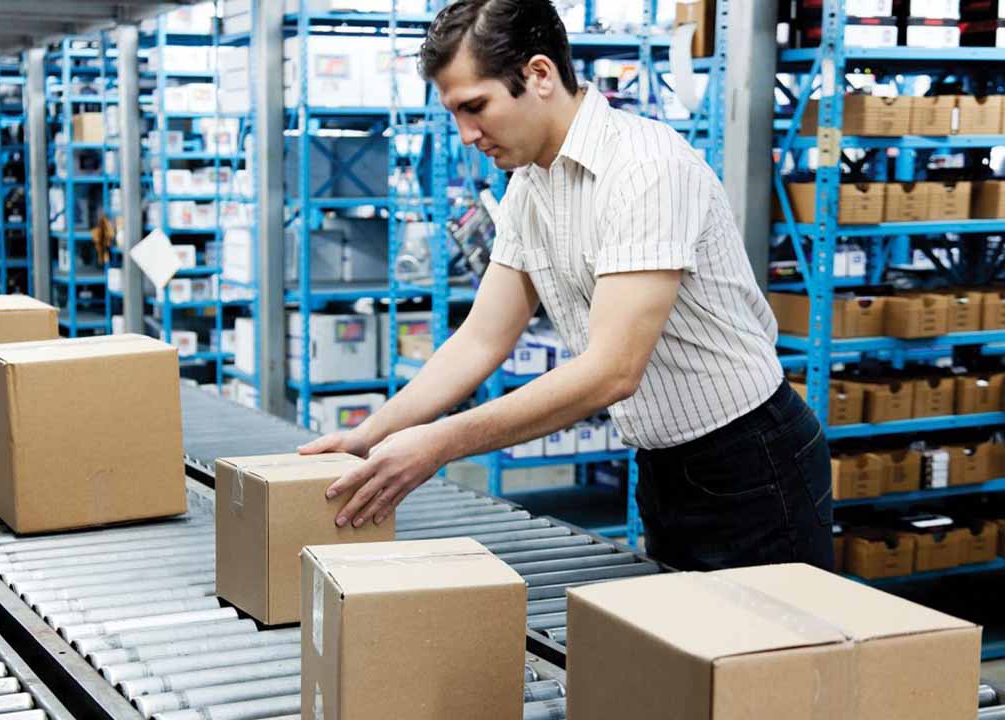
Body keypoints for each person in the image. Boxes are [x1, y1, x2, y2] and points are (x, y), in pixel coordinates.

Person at [298, 0, 833, 572]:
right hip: (662, 465)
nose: (467, 134)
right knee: (692, 653)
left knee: (772, 653)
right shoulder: (530, 184)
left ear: (539, 75)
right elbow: (481, 338)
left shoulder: (645, 169)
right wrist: (371, 434)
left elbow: (612, 370)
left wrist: (439, 444)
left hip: (752, 464)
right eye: (455, 113)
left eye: (476, 107)